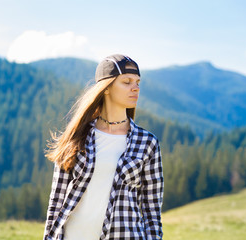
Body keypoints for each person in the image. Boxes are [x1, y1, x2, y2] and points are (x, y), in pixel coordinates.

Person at [43, 54, 164, 240]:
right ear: (106, 88)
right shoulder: (77, 137)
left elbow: (152, 213)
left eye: (138, 82)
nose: (135, 88)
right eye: (127, 82)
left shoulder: (147, 143)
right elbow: (57, 200)